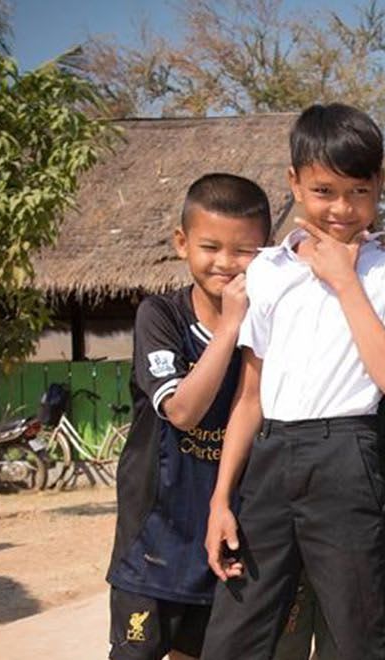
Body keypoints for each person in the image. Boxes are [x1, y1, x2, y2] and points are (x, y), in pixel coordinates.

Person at [201, 103, 385, 660]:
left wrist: (344, 281)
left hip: (347, 457)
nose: (341, 208)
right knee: (236, 630)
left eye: (359, 191)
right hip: (269, 460)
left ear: (380, 185)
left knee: (359, 632)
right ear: (294, 182)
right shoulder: (267, 270)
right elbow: (250, 396)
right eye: (324, 191)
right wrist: (221, 499)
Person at [107, 173, 271, 660]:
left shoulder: (268, 325)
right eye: (210, 246)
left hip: (225, 532)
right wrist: (229, 326)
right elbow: (182, 410)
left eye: (244, 250)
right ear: (182, 243)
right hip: (153, 538)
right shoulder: (160, 317)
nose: (225, 262)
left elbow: (253, 404)